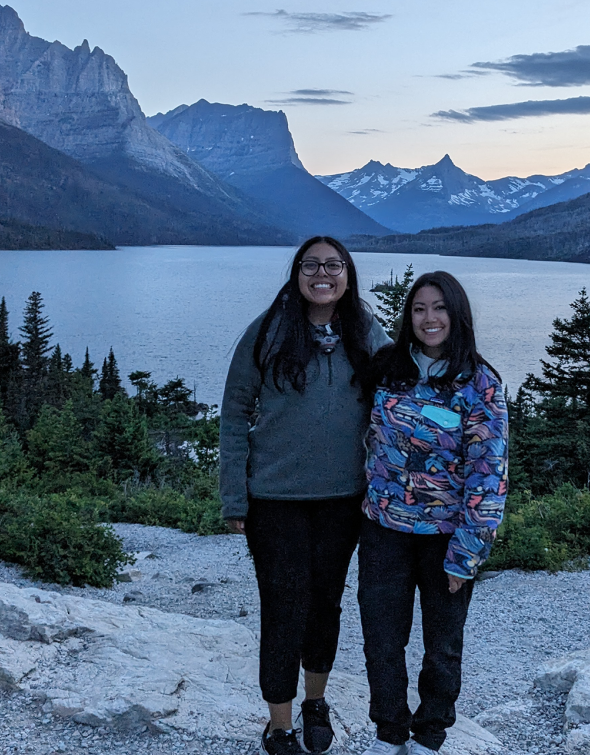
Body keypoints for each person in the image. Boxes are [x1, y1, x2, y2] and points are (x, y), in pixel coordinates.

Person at [219, 236, 391, 755]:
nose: (323, 273)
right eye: (311, 265)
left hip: (345, 499)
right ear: (296, 273)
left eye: (333, 265)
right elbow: (233, 414)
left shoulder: (365, 330)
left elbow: (403, 390)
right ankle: (279, 726)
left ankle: (315, 704)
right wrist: (235, 496)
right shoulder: (267, 331)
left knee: (326, 605)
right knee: (282, 606)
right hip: (275, 499)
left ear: (347, 273)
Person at [358, 271, 508, 755]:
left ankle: (429, 735)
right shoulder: (387, 369)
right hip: (383, 529)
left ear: (456, 314)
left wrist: (467, 551)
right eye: (419, 308)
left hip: (446, 536)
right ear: (409, 316)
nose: (429, 318)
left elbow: (489, 473)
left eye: (439, 307)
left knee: (442, 646)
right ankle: (389, 733)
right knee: (382, 640)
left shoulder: (479, 383)